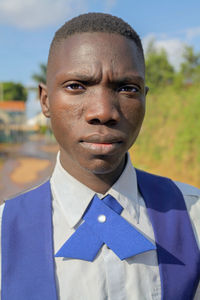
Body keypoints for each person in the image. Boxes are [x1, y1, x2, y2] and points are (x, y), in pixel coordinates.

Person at [0, 12, 199, 300]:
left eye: (127, 89)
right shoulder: (5, 231)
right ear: (45, 101)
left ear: (145, 98)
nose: (103, 112)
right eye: (76, 86)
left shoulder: (193, 217)